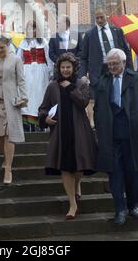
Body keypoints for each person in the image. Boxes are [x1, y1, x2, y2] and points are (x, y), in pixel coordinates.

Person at [94, 48, 138, 225]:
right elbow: (98, 108)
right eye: (109, 64)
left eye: (115, 63)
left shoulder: (137, 79)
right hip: (110, 136)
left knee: (133, 172)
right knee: (114, 173)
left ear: (124, 62)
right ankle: (119, 209)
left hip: (132, 134)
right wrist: (100, 125)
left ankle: (133, 205)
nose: (111, 67)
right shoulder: (103, 82)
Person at [38, 53, 97, 220]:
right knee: (65, 167)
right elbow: (43, 108)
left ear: (73, 68)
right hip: (60, 132)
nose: (65, 70)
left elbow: (84, 102)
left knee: (79, 166)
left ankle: (78, 184)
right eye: (62, 67)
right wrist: (45, 118)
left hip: (79, 130)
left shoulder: (81, 83)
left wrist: (69, 87)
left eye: (68, 67)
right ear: (58, 68)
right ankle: (72, 203)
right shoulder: (52, 86)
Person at [0, 36, 28, 185]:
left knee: (9, 135)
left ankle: (8, 169)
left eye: (2, 47)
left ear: (8, 45)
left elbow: (21, 80)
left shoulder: (16, 60)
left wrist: (24, 97)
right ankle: (6, 157)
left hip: (11, 102)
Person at [79, 7, 133, 91]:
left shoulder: (117, 31)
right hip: (98, 75)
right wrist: (83, 75)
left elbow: (126, 52)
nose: (100, 20)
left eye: (101, 17)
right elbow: (83, 58)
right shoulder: (89, 35)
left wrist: (130, 70)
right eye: (97, 18)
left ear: (106, 16)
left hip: (117, 69)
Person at [17, 20, 53, 131]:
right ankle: (29, 123)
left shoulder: (43, 42)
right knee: (29, 95)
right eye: (28, 28)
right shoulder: (23, 43)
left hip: (41, 71)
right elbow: (18, 59)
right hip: (27, 72)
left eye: (33, 28)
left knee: (40, 94)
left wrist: (51, 72)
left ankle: (41, 121)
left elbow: (49, 58)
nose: (31, 30)